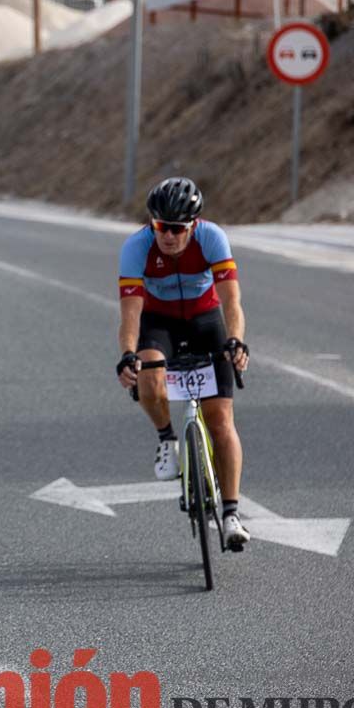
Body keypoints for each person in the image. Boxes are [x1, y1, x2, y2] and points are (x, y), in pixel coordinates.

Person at [115, 177, 251, 549]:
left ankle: (231, 514)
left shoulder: (212, 239)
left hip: (205, 318)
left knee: (221, 421)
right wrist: (127, 354)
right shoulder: (136, 247)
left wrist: (235, 341)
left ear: (193, 225)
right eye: (161, 227)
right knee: (148, 373)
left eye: (177, 229)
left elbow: (231, 302)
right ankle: (166, 439)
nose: (169, 236)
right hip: (159, 324)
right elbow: (130, 314)